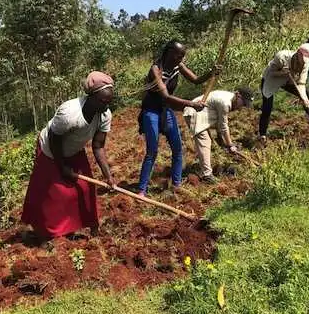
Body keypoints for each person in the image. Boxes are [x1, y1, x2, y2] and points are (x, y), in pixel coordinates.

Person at [21, 71, 115, 239]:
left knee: (86, 188)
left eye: (109, 101)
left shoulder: (104, 115)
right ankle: (49, 234)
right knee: (55, 194)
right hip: (51, 151)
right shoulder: (70, 113)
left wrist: (108, 176)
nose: (106, 106)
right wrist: (62, 167)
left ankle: (93, 227)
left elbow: (98, 146)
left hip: (74, 149)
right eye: (102, 101)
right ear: (91, 97)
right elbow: (53, 138)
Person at [137, 40, 219, 196]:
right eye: (178, 55)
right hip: (151, 111)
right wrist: (191, 104)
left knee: (177, 148)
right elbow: (166, 97)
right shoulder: (156, 70)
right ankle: (142, 189)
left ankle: (176, 184)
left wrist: (211, 73)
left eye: (183, 56)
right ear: (168, 52)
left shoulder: (178, 66)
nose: (180, 59)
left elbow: (195, 80)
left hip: (165, 110)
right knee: (152, 151)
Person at [183, 87, 254, 183]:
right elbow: (223, 126)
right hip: (194, 112)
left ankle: (202, 167)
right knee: (205, 141)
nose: (242, 106)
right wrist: (230, 145)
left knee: (208, 141)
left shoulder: (229, 98)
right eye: (243, 103)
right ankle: (206, 175)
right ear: (238, 95)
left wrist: (223, 141)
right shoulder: (225, 103)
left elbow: (220, 124)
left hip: (203, 114)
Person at [258, 43, 309, 142]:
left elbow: (302, 82)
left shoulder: (306, 64)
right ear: (298, 53)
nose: (304, 61)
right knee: (267, 106)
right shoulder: (281, 57)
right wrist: (283, 72)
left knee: (307, 98)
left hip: (288, 80)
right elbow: (271, 72)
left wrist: (304, 98)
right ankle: (262, 134)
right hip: (272, 78)